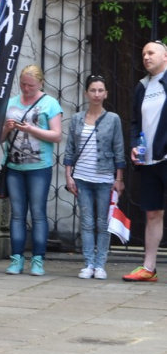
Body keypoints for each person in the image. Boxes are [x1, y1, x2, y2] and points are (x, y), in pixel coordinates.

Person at [1, 64, 63, 276]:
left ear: (40, 83)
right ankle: (16, 258)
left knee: (38, 213)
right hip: (14, 166)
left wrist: (31, 130)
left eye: (31, 85)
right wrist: (7, 129)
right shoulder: (10, 104)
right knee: (17, 214)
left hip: (39, 167)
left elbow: (57, 135)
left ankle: (38, 259)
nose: (26, 89)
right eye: (23, 84)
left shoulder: (50, 103)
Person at [63, 74, 124, 280]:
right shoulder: (77, 119)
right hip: (81, 177)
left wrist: (119, 178)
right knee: (87, 222)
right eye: (93, 90)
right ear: (86, 93)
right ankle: (88, 263)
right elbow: (70, 149)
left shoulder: (113, 119)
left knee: (102, 223)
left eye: (100, 90)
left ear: (106, 94)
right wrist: (68, 176)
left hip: (105, 178)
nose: (96, 94)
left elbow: (119, 149)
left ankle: (100, 265)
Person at [125, 40, 167, 282]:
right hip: (149, 161)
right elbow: (134, 122)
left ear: (165, 56)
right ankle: (148, 268)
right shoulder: (142, 86)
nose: (146, 57)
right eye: (143, 54)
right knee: (152, 214)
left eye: (151, 52)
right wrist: (133, 145)